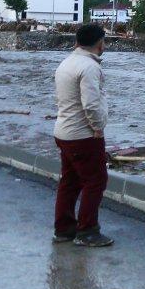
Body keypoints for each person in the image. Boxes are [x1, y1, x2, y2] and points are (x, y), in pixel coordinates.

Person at [53, 23, 114, 247]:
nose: (104, 45)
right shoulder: (89, 67)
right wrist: (97, 128)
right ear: (99, 43)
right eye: (104, 41)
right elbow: (91, 104)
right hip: (83, 135)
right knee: (96, 181)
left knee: (70, 181)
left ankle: (64, 229)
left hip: (63, 131)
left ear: (77, 42)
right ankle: (87, 231)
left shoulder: (66, 63)